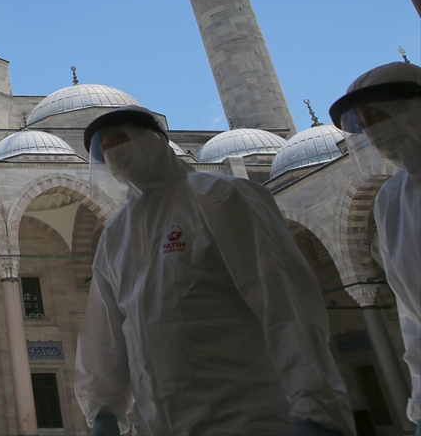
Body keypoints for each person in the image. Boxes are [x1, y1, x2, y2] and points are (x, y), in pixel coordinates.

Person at [74, 105, 355, 436]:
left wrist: (315, 408)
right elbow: (105, 333)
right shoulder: (117, 232)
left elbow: (286, 303)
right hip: (161, 420)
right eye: (103, 147)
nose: (112, 151)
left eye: (120, 139)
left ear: (153, 141)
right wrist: (105, 411)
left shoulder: (222, 196)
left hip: (248, 413)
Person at [330, 60, 421, 435]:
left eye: (377, 115)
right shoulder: (391, 198)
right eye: (362, 124)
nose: (371, 131)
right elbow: (412, 316)